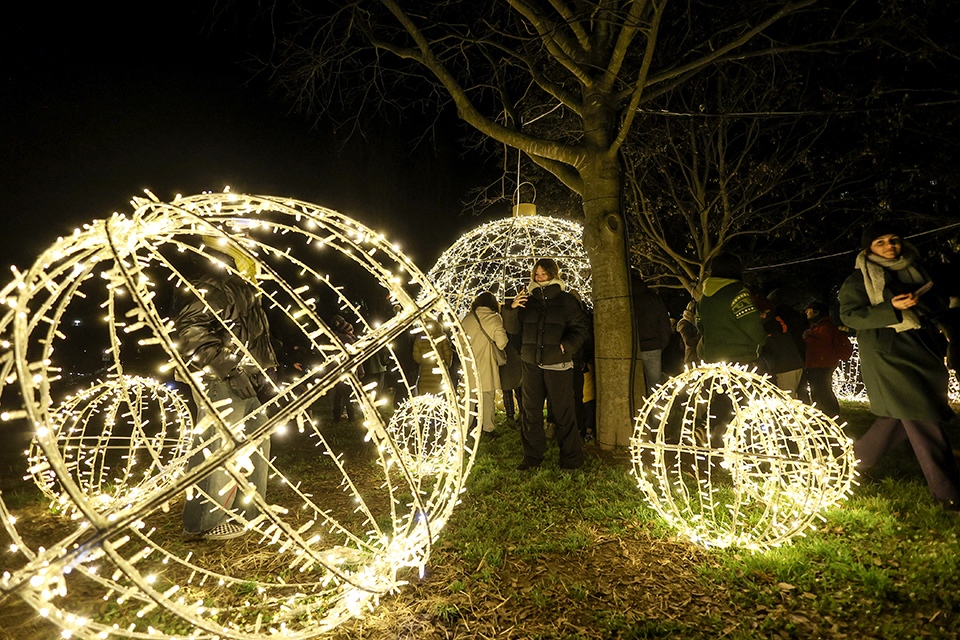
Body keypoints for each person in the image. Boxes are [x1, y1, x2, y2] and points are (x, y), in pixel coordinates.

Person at [839, 222, 960, 513]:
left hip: (920, 348)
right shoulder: (858, 280)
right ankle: (948, 492)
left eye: (893, 240)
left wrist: (920, 303)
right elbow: (850, 316)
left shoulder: (914, 270)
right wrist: (891, 308)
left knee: (897, 417)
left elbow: (935, 307)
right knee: (921, 414)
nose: (889, 246)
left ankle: (846, 468)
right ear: (869, 248)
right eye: (880, 242)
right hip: (888, 354)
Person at [173, 239, 278, 541]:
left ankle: (248, 511)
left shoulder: (238, 280)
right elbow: (191, 331)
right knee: (216, 447)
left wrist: (264, 367)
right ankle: (203, 523)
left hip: (249, 376)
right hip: (221, 378)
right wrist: (230, 368)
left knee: (256, 444)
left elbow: (251, 331)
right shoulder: (212, 279)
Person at [503, 258, 590, 470]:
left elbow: (580, 328)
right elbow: (513, 330)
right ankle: (532, 457)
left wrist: (566, 346)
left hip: (557, 364)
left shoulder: (566, 300)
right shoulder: (528, 301)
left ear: (553, 274)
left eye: (544, 273)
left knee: (562, 412)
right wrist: (512, 309)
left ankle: (571, 458)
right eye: (537, 274)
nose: (539, 277)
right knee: (530, 411)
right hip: (531, 364)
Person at [696, 254, 767, 368]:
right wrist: (762, 339)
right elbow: (751, 325)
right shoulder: (738, 294)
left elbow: (700, 326)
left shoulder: (703, 299)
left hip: (712, 360)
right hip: (741, 359)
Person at [460, 292, 510, 439]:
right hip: (487, 363)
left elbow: (459, 342)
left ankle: (464, 428)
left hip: (469, 363)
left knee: (469, 397)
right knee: (487, 397)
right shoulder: (495, 318)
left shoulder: (467, 319)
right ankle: (488, 428)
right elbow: (502, 342)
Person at [802, 301, 851, 418]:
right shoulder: (818, 326)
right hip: (819, 363)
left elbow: (821, 344)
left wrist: (807, 336)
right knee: (820, 390)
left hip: (821, 364)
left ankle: (830, 414)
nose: (806, 312)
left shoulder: (825, 327)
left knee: (822, 390)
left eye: (809, 309)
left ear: (816, 312)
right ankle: (825, 414)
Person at [630, 272, 673, 395]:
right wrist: (661, 344)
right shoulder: (653, 298)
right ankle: (655, 408)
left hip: (631, 348)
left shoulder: (626, 299)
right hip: (652, 346)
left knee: (634, 386)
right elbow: (664, 324)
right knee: (654, 386)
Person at [331, 315, 364, 422]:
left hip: (338, 369)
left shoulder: (334, 338)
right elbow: (355, 356)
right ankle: (351, 416)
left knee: (338, 395)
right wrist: (361, 370)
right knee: (348, 394)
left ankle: (337, 416)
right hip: (349, 369)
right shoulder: (348, 339)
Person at [412, 314, 452, 395]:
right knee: (440, 394)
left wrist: (424, 362)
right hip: (440, 370)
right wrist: (445, 365)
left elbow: (416, 356)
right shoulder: (442, 337)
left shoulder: (420, 337)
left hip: (425, 371)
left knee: (425, 395)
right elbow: (448, 354)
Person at [676, 299, 701, 367]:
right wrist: (702, 335)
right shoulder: (684, 323)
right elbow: (688, 342)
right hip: (692, 358)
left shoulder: (697, 322)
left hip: (699, 357)